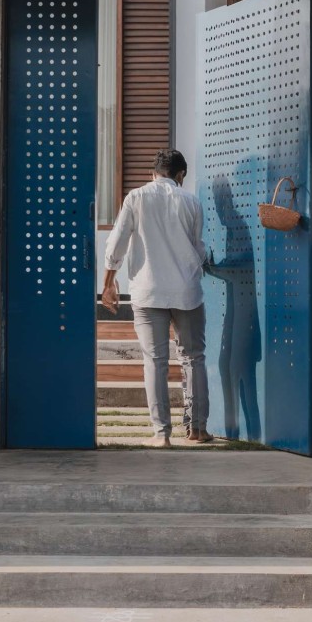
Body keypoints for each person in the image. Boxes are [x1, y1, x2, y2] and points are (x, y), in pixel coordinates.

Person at [101, 149, 211, 448]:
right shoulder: (191, 201)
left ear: (154, 172)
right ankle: (198, 429)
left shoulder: (136, 197)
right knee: (194, 358)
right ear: (180, 175)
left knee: (155, 362)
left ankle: (162, 434)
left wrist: (109, 283)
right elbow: (199, 248)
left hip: (148, 292)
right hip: (187, 291)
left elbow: (117, 242)